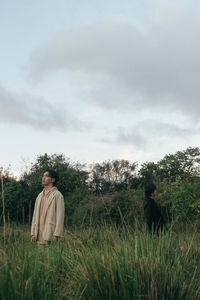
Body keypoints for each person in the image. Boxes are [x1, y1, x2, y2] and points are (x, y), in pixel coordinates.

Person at [31, 170, 65, 245]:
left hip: (50, 234)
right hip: (38, 236)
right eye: (43, 176)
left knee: (51, 256)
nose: (43, 178)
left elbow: (60, 216)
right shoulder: (39, 196)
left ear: (52, 180)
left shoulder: (57, 195)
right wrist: (33, 233)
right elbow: (35, 216)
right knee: (39, 256)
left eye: (46, 176)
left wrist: (57, 234)